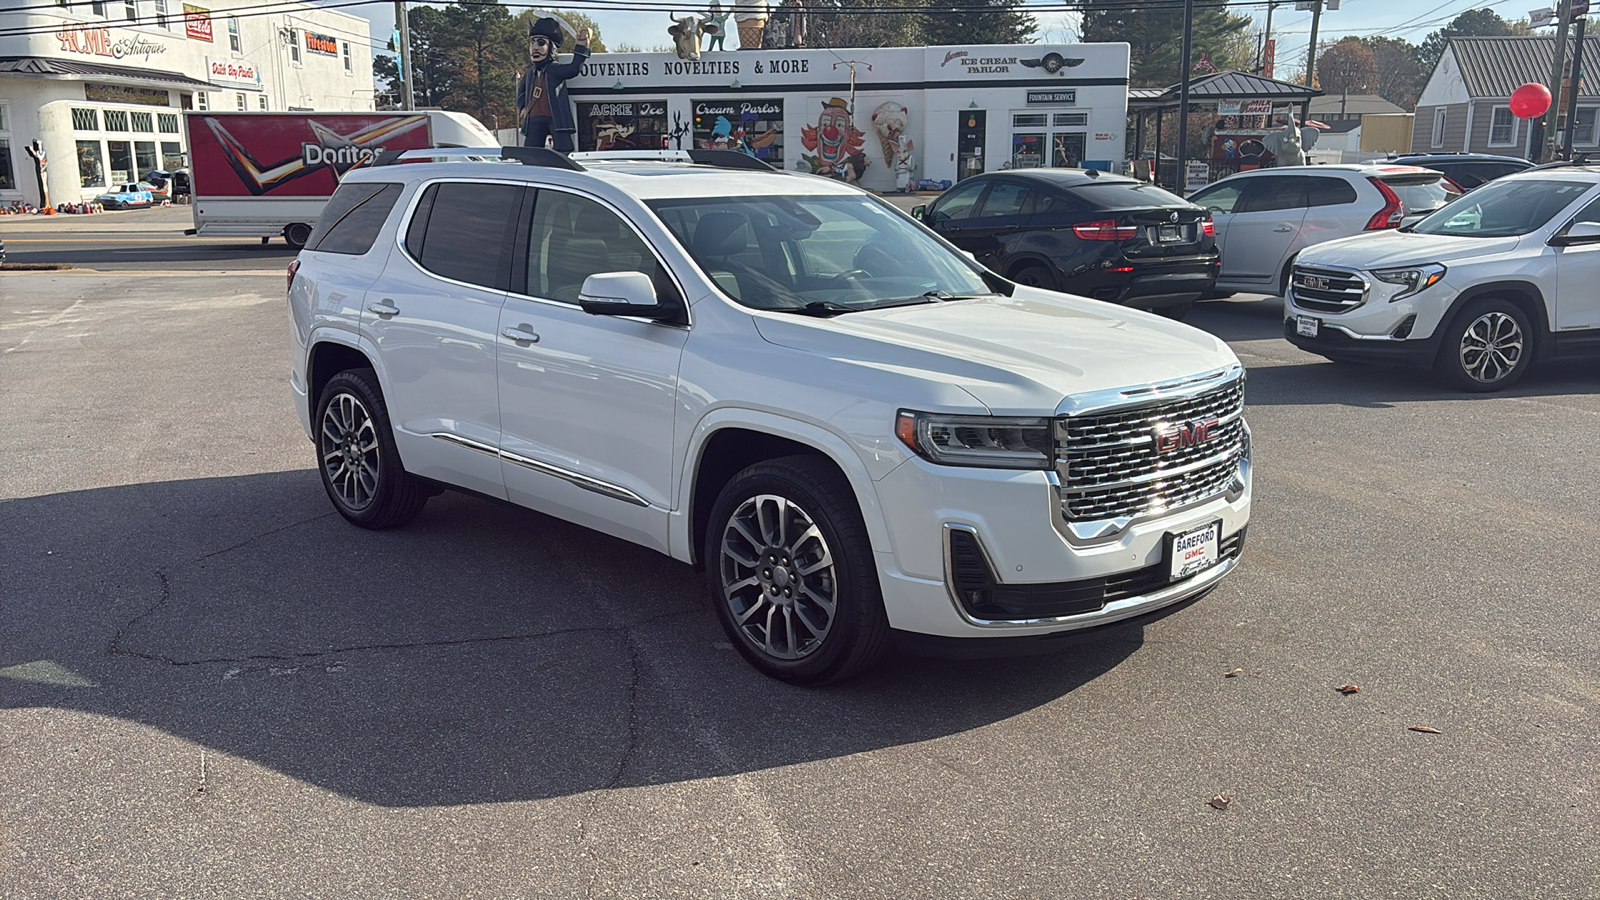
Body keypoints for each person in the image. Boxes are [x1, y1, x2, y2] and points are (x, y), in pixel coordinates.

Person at [517, 18, 591, 153]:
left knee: (563, 148)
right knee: (530, 151)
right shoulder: (529, 74)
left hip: (555, 118)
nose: (535, 47)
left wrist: (581, 47)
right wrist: (522, 107)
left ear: (552, 47)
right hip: (534, 119)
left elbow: (574, 68)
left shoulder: (555, 70)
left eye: (541, 43)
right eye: (532, 43)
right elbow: (521, 92)